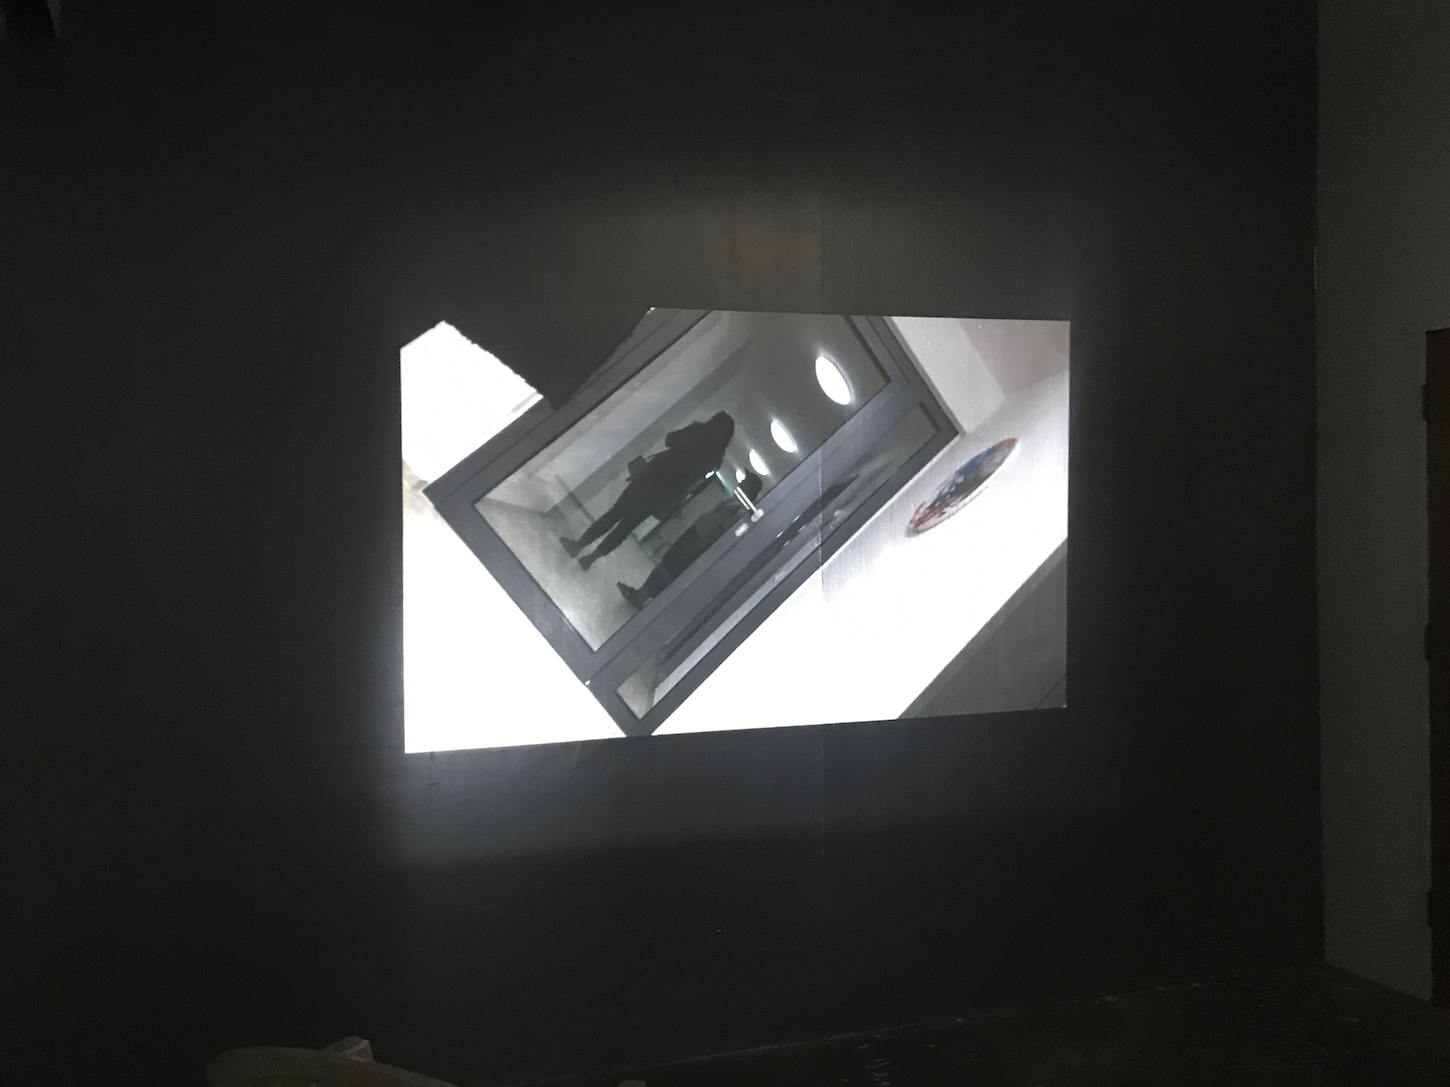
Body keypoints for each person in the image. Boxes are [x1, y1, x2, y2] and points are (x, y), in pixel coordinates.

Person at [561, 411, 736, 571]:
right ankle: (591, 559)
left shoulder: (697, 431)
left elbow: (670, 440)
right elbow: (696, 483)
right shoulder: (715, 459)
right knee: (625, 528)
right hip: (664, 495)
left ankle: (578, 545)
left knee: (614, 513)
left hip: (651, 477)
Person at [617, 472, 763, 609]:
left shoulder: (741, 510)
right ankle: (642, 594)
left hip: (699, 540)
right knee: (668, 561)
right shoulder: (735, 500)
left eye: (745, 481)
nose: (741, 482)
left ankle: (644, 598)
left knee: (671, 568)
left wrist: (699, 546)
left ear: (750, 488)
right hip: (696, 533)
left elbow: (721, 531)